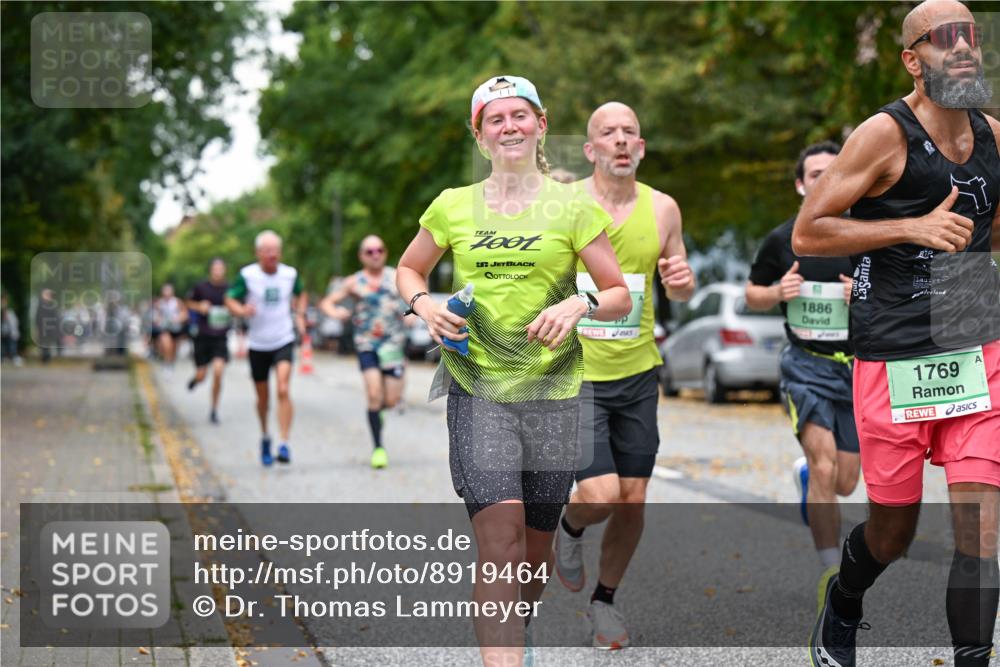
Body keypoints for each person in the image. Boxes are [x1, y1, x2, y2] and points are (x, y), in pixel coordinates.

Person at [397, 75, 630, 666]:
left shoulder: (573, 205)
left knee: (533, 553)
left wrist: (580, 302)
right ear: (479, 135)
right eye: (495, 119)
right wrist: (423, 304)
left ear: (541, 124)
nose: (509, 127)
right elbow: (409, 269)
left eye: (519, 116)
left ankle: (517, 629)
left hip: (554, 392)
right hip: (478, 388)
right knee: (498, 541)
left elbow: (619, 292)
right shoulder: (453, 205)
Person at [793, 2, 1000, 665]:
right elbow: (810, 230)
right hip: (894, 355)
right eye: (945, 40)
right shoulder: (883, 135)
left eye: (971, 35)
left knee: (981, 526)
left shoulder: (996, 134)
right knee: (894, 531)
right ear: (913, 59)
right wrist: (909, 227)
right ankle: (845, 600)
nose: (963, 48)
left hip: (976, 347)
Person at [554, 102, 696, 650]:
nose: (619, 140)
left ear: (640, 148)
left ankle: (604, 602)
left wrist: (682, 281)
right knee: (601, 492)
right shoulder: (564, 205)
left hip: (638, 371)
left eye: (629, 132)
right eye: (607, 133)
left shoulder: (663, 209)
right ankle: (570, 528)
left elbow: (677, 284)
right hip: (577, 368)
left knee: (632, 498)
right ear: (590, 150)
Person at [745, 141, 861, 605]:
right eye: (815, 174)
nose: (825, 179)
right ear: (801, 184)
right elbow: (751, 294)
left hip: (856, 368)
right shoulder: (783, 239)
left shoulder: (864, 235)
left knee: (846, 480)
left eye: (834, 172)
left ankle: (808, 480)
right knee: (825, 463)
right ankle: (831, 571)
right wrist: (777, 292)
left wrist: (865, 295)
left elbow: (895, 296)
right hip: (805, 366)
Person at [320, 236, 407, 469]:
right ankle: (378, 447)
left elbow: (416, 296)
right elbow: (327, 302)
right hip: (367, 344)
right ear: (362, 256)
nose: (375, 254)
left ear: (385, 252)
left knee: (391, 399)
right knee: (374, 395)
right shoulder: (353, 282)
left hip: (393, 345)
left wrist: (414, 315)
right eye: (370, 251)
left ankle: (379, 412)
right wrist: (335, 312)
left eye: (379, 249)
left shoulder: (397, 276)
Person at [225, 231, 307, 467]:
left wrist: (300, 314)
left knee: (283, 388)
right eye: (267, 250)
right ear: (258, 253)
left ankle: (284, 443)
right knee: (263, 398)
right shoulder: (247, 276)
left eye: (275, 250)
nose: (272, 254)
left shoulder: (290, 274)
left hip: (283, 339)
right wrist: (241, 310)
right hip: (258, 343)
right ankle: (265, 435)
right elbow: (230, 299)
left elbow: (302, 294)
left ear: (280, 252)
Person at [187, 258, 232, 424]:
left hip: (220, 337)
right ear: (211, 270)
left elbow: (237, 304)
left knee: (219, 372)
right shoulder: (201, 287)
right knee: (202, 375)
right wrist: (200, 307)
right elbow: (189, 303)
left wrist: (232, 308)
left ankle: (214, 409)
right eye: (215, 268)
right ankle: (195, 380)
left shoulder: (230, 289)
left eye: (221, 268)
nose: (218, 271)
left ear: (224, 270)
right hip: (203, 336)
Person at [153, 283, 187, 371]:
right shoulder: (159, 303)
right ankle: (167, 363)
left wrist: (178, 318)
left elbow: (185, 314)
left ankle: (171, 363)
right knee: (166, 344)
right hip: (164, 328)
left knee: (173, 348)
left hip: (176, 329)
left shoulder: (177, 302)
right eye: (165, 291)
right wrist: (158, 320)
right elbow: (156, 316)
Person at [34, 288, 61, 363]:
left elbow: (56, 317)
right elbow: (38, 317)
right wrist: (37, 328)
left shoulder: (52, 305)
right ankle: (45, 358)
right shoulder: (41, 305)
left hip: (50, 328)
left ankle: (47, 357)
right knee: (44, 344)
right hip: (43, 328)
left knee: (47, 343)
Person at [1, 292, 22, 366]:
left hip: (10, 331)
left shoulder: (10, 310)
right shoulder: (3, 309)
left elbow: (13, 321)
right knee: (4, 346)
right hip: (4, 331)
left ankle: (13, 358)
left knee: (12, 346)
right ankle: (4, 358)